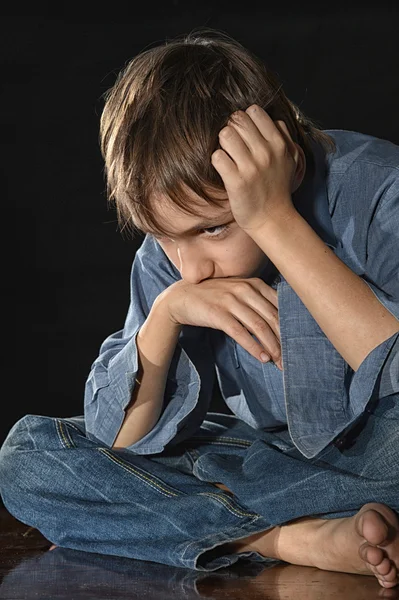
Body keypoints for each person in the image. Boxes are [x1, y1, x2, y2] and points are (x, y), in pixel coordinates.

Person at [1, 28, 398, 589]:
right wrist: (165, 315)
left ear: (291, 164)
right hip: (260, 458)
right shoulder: (176, 254)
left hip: (374, 451)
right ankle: (287, 538)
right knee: (29, 460)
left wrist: (272, 219)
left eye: (214, 228)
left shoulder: (379, 189)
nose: (192, 268)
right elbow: (121, 444)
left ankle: (191, 522)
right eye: (166, 238)